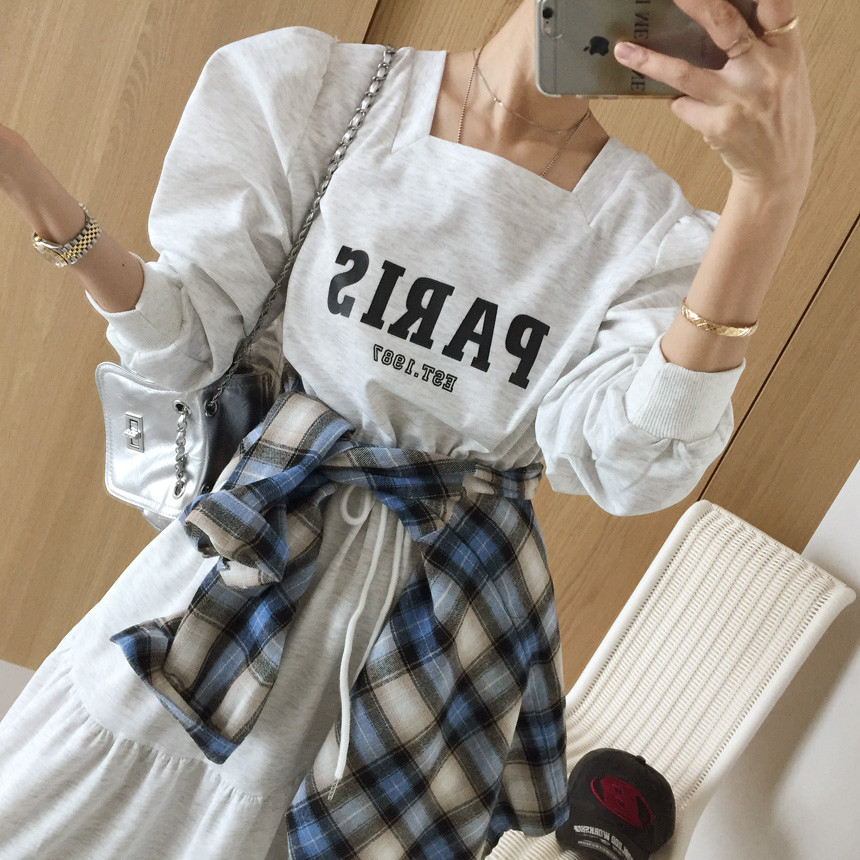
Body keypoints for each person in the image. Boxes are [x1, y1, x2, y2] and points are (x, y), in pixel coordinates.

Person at [0, 0, 814, 857]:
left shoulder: (649, 236)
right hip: (226, 587)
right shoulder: (313, 91)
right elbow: (192, 344)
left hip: (420, 644)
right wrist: (32, 188)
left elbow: (631, 465)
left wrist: (768, 199)